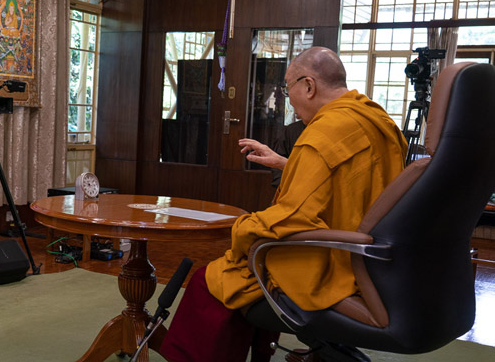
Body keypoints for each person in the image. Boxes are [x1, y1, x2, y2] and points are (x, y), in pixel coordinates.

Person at [159, 47, 408, 362]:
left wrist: (242, 228)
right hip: (378, 264)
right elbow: (355, 184)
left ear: (308, 86)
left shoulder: (322, 133)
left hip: (334, 263)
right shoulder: (379, 120)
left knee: (212, 279)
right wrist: (285, 162)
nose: (288, 99)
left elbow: (292, 219)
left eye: (288, 87)